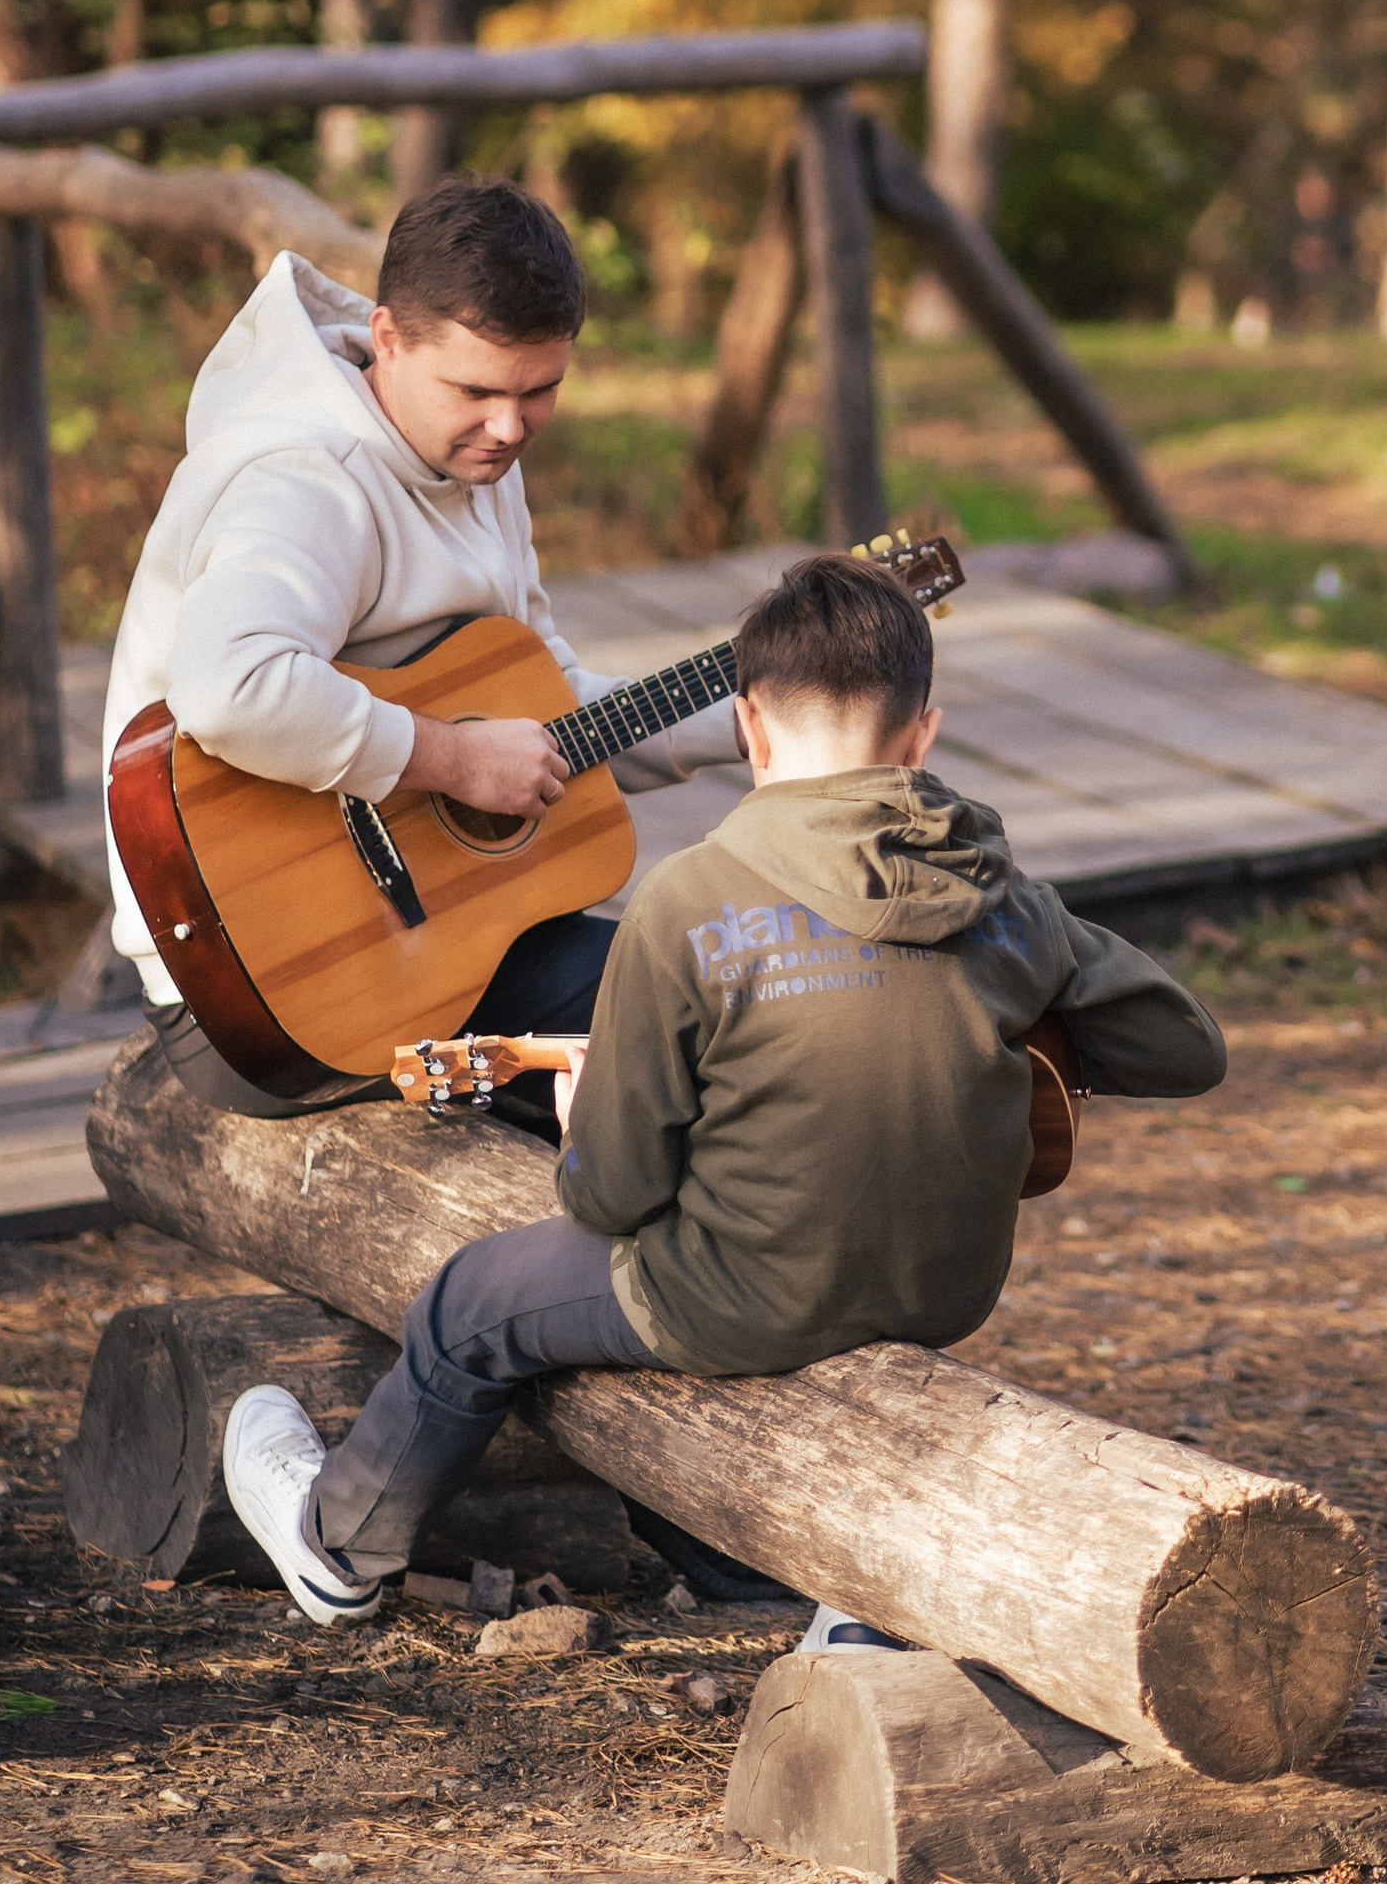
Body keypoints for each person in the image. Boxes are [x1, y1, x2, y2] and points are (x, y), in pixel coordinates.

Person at [219, 550, 1230, 1631]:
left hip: (741, 1297)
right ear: (924, 734)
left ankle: (340, 1546)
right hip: (944, 1284)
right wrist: (1016, 1027)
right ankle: (780, 1570)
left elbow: (612, 1198)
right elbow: (1187, 1051)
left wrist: (584, 1124)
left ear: (748, 726)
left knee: (469, 1304)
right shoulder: (1008, 901)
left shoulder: (690, 902)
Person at [102, 176, 740, 1117]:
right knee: (719, 1030)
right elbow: (229, 686)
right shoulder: (306, 479)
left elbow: (545, 713)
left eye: (541, 390)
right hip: (270, 993)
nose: (509, 428)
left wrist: (749, 719)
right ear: (389, 339)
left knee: (727, 993)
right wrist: (452, 760)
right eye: (476, 390)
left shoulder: (473, 457)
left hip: (440, 938)